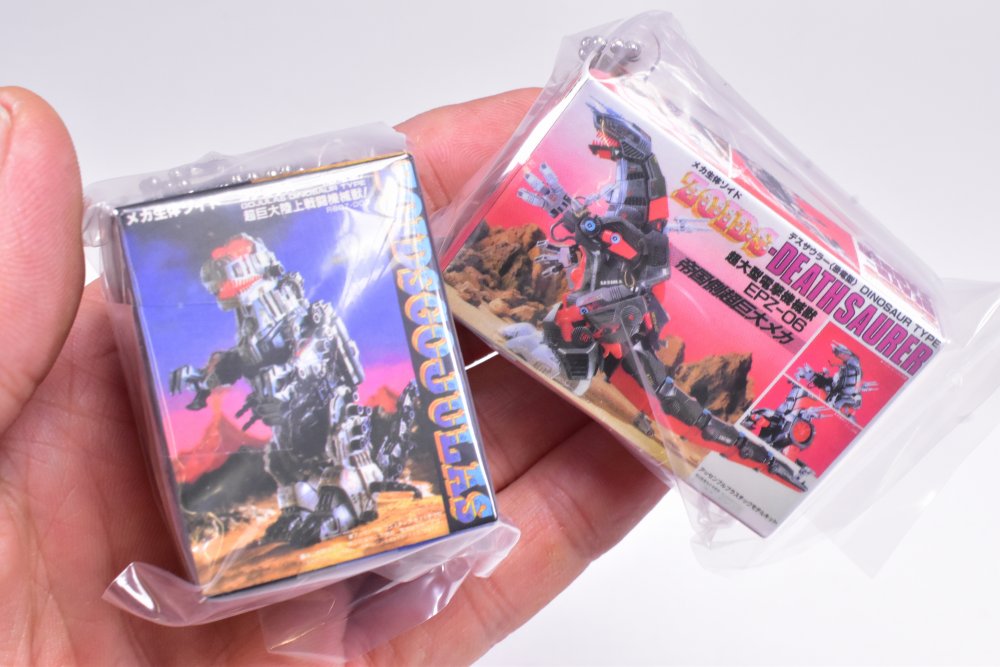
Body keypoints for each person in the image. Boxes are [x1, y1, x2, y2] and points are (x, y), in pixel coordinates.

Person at [0, 86, 668, 664]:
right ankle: (310, 519)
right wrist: (209, 378)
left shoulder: (296, 307)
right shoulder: (250, 317)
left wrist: (299, 365)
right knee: (288, 465)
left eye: (233, 282)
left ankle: (350, 507)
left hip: (324, 393)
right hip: (289, 409)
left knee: (341, 449)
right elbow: (246, 355)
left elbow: (316, 339)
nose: (230, 295)